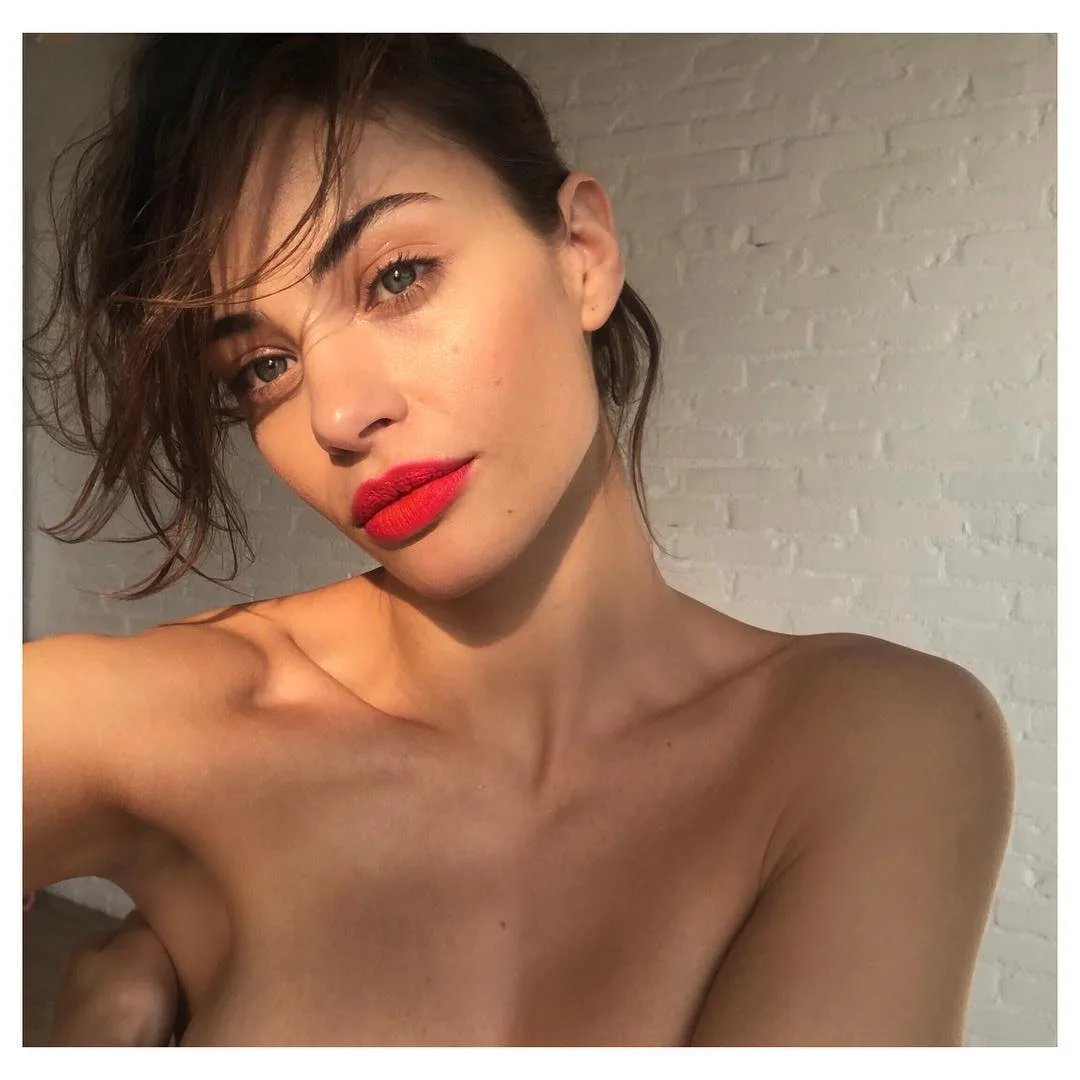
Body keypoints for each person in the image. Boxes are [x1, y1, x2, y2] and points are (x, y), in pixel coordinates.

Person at [25, 33, 1016, 1047]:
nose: (337, 413)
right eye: (263, 367)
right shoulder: (172, 724)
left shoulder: (873, 744)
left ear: (582, 253)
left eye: (397, 276)